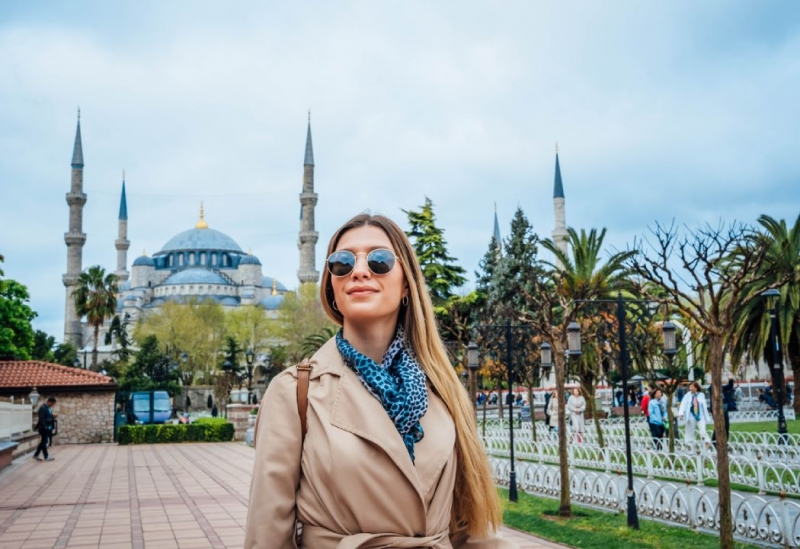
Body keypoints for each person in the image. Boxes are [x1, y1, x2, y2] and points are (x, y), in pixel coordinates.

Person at [245, 213, 516, 548]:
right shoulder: (294, 392)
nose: (359, 270)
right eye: (342, 262)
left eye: (379, 260)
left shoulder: (444, 392)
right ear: (331, 285)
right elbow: (268, 537)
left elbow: (472, 529)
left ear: (406, 283)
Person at [678, 381, 711, 447]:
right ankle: (690, 446)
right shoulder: (688, 395)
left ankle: (706, 443)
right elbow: (683, 404)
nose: (691, 388)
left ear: (696, 388)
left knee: (702, 430)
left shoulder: (701, 395)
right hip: (691, 416)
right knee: (690, 432)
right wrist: (681, 413)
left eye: (692, 387)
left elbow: (703, 405)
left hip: (700, 416)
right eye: (690, 387)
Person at [33, 396, 57, 461]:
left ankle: (36, 454)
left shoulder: (48, 408)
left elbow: (48, 416)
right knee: (45, 441)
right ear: (49, 402)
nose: (52, 405)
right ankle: (46, 456)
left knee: (43, 441)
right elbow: (41, 418)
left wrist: (53, 416)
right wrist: (45, 427)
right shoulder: (42, 408)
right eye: (52, 404)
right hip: (43, 428)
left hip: (48, 427)